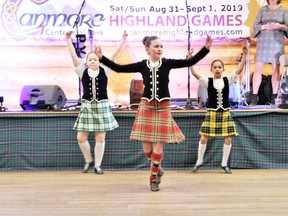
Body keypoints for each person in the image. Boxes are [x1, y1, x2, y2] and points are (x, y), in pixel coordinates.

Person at [94, 35, 212, 191]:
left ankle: (153, 179)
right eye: (156, 46)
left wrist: (206, 48)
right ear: (147, 49)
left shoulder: (167, 63)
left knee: (157, 149)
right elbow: (119, 68)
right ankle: (158, 169)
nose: (160, 49)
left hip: (163, 107)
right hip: (146, 107)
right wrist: (102, 58)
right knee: (148, 151)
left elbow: (189, 62)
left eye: (161, 46)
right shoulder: (143, 65)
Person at [65, 30, 128, 174]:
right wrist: (68, 39)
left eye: (95, 59)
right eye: (90, 59)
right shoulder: (82, 70)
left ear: (99, 61)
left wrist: (123, 39)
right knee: (81, 137)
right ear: (86, 62)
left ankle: (97, 165)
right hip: (87, 106)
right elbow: (73, 55)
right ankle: (88, 160)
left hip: (102, 106)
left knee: (100, 137)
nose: (93, 61)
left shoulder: (105, 70)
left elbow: (113, 55)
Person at [189, 43, 248, 174]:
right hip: (212, 113)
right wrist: (190, 60)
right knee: (204, 137)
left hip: (225, 112)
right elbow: (194, 73)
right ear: (211, 70)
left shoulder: (228, 80)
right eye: (215, 67)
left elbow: (239, 69)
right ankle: (199, 161)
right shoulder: (207, 81)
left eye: (219, 67)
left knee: (228, 137)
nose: (217, 69)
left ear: (223, 69)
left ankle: (224, 163)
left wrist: (245, 54)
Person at [250, 0, 288, 106]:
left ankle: (274, 97)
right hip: (263, 42)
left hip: (276, 43)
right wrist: (265, 27)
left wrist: (280, 26)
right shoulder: (262, 10)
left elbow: (287, 26)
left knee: (276, 69)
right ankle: (254, 97)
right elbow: (255, 26)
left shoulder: (284, 10)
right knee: (258, 68)